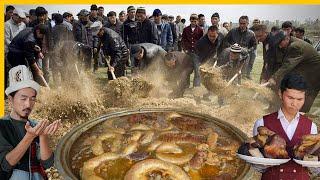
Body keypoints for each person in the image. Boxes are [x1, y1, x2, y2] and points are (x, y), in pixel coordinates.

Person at [252, 73, 318, 179]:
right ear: (280, 94)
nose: (295, 103)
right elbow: (258, 165)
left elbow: (313, 166)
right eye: (290, 98)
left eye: (300, 99)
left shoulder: (311, 126)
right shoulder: (262, 123)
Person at [0, 65, 60, 179]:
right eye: (23, 98)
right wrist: (29, 137)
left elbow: (47, 163)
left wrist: (43, 136)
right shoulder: (3, 126)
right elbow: (6, 164)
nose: (28, 104)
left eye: (32, 99)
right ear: (11, 100)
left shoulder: (35, 126)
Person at [268, 31, 320, 113]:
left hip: (314, 76)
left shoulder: (295, 47)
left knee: (303, 97)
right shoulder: (291, 43)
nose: (279, 46)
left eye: (280, 43)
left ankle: (300, 119)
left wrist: (274, 78)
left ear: (286, 39)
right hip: (305, 72)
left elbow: (288, 65)